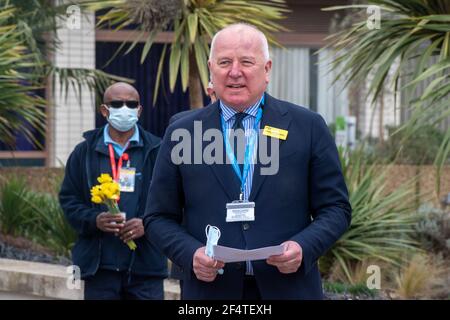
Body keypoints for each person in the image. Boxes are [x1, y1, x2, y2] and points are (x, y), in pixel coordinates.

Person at [144, 24, 351, 299]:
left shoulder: (308, 126)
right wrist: (190, 254)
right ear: (211, 68)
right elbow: (158, 217)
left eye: (246, 62)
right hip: (210, 292)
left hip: (289, 289)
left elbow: (336, 208)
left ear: (267, 69)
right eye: (225, 62)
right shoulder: (183, 132)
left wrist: (303, 247)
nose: (234, 72)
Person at [59, 82, 167, 300]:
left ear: (139, 110)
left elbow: (174, 201)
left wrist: (148, 224)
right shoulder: (84, 152)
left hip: (145, 268)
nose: (125, 108)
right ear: (104, 110)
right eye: (117, 103)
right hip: (100, 268)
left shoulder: (158, 150)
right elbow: (69, 200)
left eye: (131, 103)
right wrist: (94, 219)